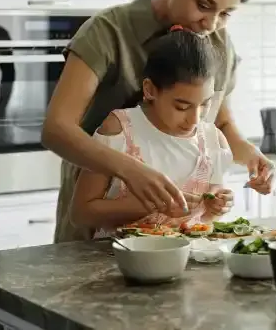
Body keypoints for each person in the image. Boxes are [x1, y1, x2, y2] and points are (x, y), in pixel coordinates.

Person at [42, 0, 275, 243]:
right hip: (97, 231)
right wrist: (131, 171)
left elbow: (219, 121)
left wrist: (249, 155)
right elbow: (56, 129)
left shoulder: (218, 44)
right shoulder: (108, 31)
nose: (211, 23)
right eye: (203, 5)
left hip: (179, 235)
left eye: (225, 14)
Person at [70, 27, 234, 235]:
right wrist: (151, 205)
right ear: (149, 90)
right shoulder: (120, 129)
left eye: (205, 104)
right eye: (182, 107)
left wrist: (218, 205)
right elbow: (81, 214)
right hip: (118, 260)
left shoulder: (213, 141)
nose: (194, 119)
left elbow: (208, 219)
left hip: (189, 261)